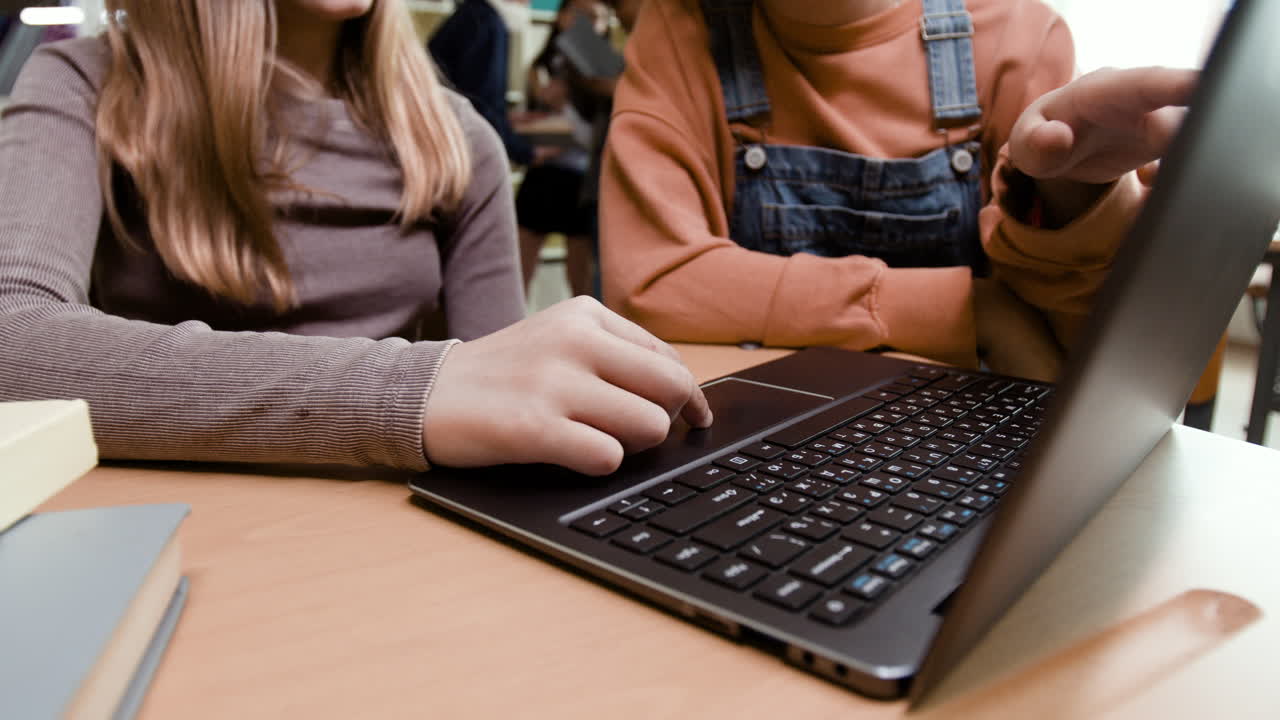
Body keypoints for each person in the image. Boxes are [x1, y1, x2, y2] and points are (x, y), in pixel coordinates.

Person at [0, 0, 710, 477]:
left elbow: (512, 409)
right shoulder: (88, 83)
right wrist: (410, 391)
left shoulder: (456, 139)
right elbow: (11, 345)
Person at [600, 0, 1196, 381]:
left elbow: (1071, 343)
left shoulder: (1017, 34)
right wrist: (973, 310)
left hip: (959, 437)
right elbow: (654, 285)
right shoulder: (677, 29)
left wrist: (1073, 195)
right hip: (765, 434)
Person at [514, 0, 612, 297]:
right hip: (544, 171)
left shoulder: (604, 67)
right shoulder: (547, 62)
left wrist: (563, 111)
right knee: (518, 265)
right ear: (561, 17)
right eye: (579, 14)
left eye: (596, 17)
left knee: (580, 275)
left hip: (581, 180)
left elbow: (601, 137)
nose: (587, 24)